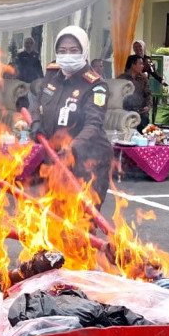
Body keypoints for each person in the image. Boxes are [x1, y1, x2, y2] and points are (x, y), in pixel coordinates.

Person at [30, 26, 112, 208]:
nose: (67, 55)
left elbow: (93, 124)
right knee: (53, 215)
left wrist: (72, 149)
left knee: (81, 219)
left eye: (74, 50)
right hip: (54, 157)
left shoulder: (96, 85)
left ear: (84, 51)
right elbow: (38, 101)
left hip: (87, 161)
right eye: (62, 51)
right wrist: (36, 121)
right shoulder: (52, 73)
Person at [118, 54, 152, 131]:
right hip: (125, 110)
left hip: (141, 111)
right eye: (140, 63)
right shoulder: (121, 79)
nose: (143, 66)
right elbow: (117, 96)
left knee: (144, 128)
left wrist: (148, 106)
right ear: (133, 65)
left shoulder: (143, 79)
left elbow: (148, 94)